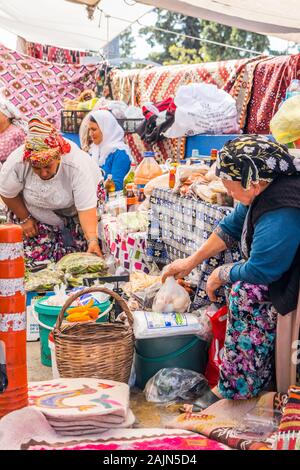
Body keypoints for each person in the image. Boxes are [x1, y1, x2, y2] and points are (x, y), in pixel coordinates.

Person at [162, 135, 300, 410]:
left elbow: (263, 269)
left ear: (255, 180)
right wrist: (191, 262)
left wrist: (222, 274)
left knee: (245, 292)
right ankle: (243, 379)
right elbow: (231, 227)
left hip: (288, 278)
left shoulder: (283, 207)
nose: (229, 192)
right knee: (231, 278)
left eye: (231, 186)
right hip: (276, 269)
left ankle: (240, 387)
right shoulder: (261, 190)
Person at [0, 116, 103, 262]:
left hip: (75, 212)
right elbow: (7, 193)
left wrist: (92, 240)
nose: (43, 173)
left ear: (59, 158)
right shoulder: (18, 162)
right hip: (34, 212)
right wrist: (25, 218)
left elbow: (86, 207)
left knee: (76, 259)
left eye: (48, 166)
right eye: (36, 168)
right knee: (36, 262)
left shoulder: (75, 165)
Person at [87, 109, 132, 191]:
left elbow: (117, 186)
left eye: (93, 129)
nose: (90, 134)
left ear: (106, 129)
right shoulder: (94, 150)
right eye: (89, 129)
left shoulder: (120, 153)